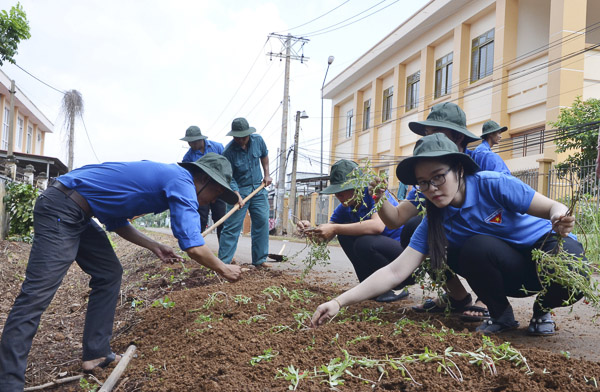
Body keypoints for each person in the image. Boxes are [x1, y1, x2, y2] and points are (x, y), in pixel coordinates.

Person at [0, 153, 242, 391]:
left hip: (78, 210)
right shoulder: (182, 181)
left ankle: (96, 354)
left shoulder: (166, 178)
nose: (213, 200)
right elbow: (193, 246)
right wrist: (223, 268)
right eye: (217, 193)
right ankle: (8, 382)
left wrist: (154, 245)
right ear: (203, 179)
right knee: (37, 293)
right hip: (62, 207)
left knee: (109, 272)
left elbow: (116, 223)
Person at [312, 133, 585, 336]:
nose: (432, 188)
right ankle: (502, 316)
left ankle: (542, 307)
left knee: (571, 274)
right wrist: (338, 301)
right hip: (508, 270)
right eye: (423, 182)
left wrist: (558, 219)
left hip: (543, 247)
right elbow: (395, 272)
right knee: (475, 248)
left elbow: (552, 206)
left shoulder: (493, 184)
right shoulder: (435, 221)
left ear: (459, 169)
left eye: (439, 176)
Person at [375, 102, 492, 320]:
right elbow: (396, 219)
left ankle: (488, 296)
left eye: (435, 133)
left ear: (458, 138)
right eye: (426, 134)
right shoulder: (430, 176)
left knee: (482, 240)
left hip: (488, 237)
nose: (428, 140)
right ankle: (457, 296)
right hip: (455, 239)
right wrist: (379, 198)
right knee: (412, 229)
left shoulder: (484, 161)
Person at [297, 160, 412, 302]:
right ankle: (370, 287)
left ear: (357, 186)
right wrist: (311, 230)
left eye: (343, 190)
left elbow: (377, 226)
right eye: (337, 192)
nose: (339, 196)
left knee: (364, 242)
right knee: (345, 237)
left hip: (404, 260)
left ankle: (395, 287)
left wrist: (335, 227)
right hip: (387, 257)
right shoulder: (345, 207)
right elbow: (324, 237)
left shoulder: (373, 194)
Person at [219, 117, 272, 267]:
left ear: (249, 134)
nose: (241, 141)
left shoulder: (258, 141)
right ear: (233, 136)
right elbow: (228, 177)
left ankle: (260, 260)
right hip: (240, 190)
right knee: (232, 226)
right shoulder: (228, 152)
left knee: (262, 222)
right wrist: (236, 194)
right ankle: (224, 263)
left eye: (244, 137)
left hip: (258, 187)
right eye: (238, 138)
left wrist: (266, 174)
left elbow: (264, 156)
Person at [181, 125, 227, 240]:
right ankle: (197, 247)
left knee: (221, 219)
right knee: (200, 219)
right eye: (189, 143)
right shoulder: (188, 157)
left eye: (193, 142)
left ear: (200, 139)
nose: (191, 145)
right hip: (202, 192)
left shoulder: (217, 147)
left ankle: (224, 254)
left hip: (218, 189)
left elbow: (227, 166)